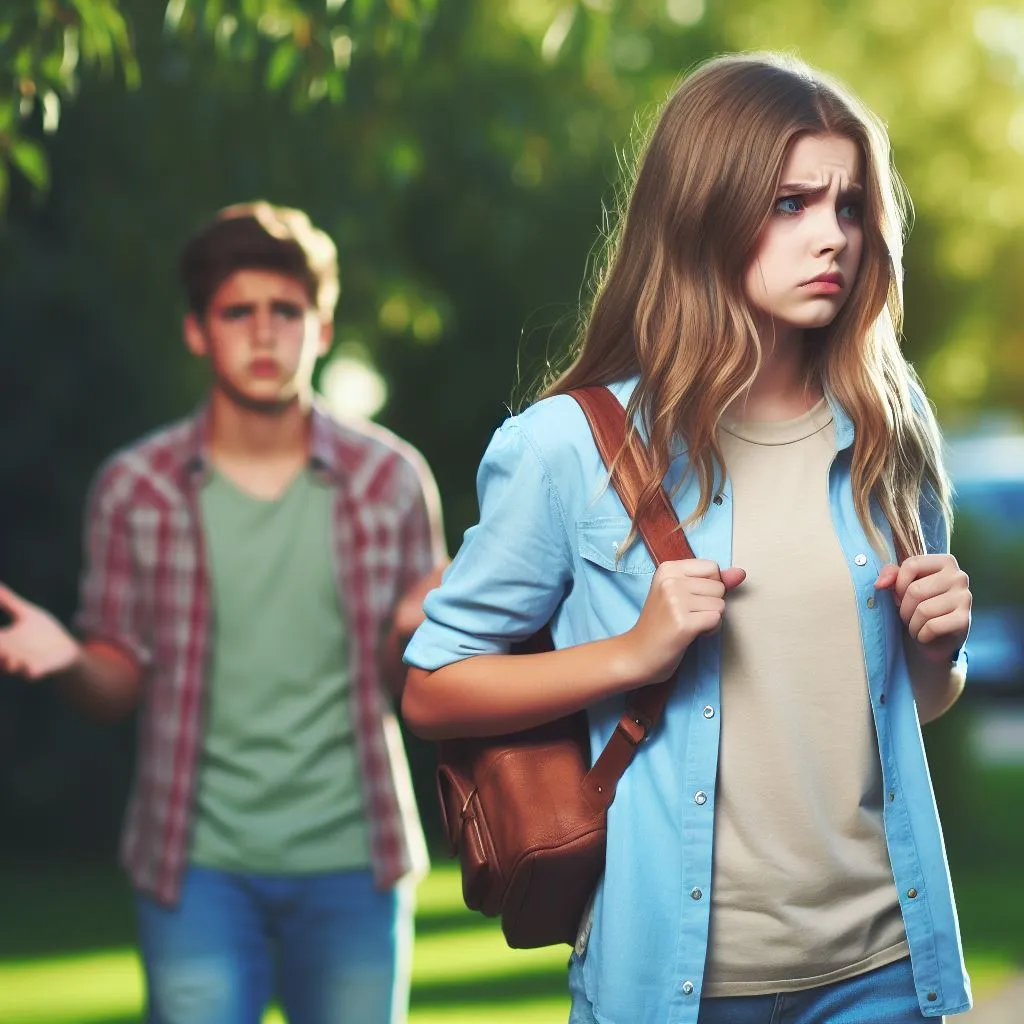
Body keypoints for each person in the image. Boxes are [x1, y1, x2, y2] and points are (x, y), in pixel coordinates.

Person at [401, 53, 973, 1024]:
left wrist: (936, 651)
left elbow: (901, 708)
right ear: (703, 211)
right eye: (790, 203)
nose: (830, 236)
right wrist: (630, 653)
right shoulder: (565, 450)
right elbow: (431, 686)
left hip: (881, 967)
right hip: (673, 987)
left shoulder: (889, 424)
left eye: (846, 205)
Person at [0, 201, 446, 1024]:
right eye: (238, 312)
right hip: (194, 866)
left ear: (321, 325)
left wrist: (417, 634)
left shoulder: (392, 479)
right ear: (198, 331)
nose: (265, 334)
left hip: (357, 861)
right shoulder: (135, 488)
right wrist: (66, 657)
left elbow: (410, 687)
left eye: (287, 311)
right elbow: (118, 683)